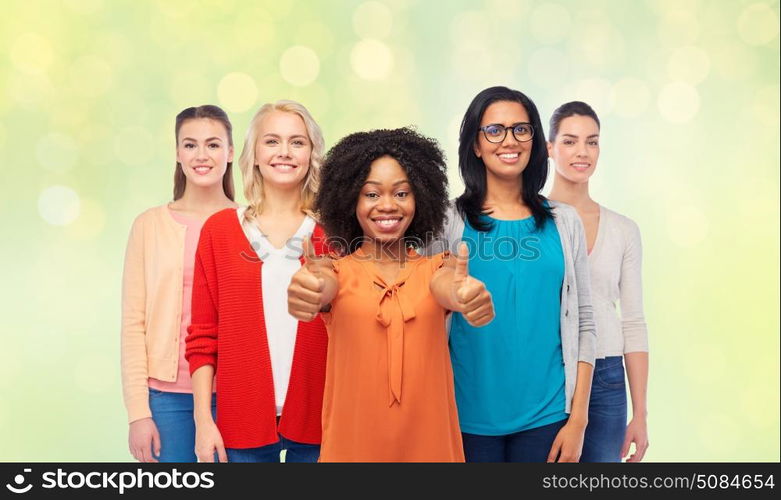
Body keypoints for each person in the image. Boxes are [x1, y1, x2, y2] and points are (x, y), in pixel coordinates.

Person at [288, 127, 495, 462]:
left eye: (401, 193)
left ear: (421, 198)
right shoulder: (335, 271)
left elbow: (448, 288)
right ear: (349, 200)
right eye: (371, 194)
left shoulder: (437, 266)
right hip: (354, 447)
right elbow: (321, 284)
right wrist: (308, 288)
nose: (387, 206)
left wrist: (465, 294)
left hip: (429, 447)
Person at [431, 86, 596, 462]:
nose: (510, 140)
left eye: (522, 129)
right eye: (495, 130)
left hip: (549, 418)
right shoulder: (446, 222)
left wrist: (578, 422)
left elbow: (585, 322)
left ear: (535, 141)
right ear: (475, 144)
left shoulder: (564, 222)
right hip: (464, 418)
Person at [185, 100, 329, 463]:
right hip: (240, 425)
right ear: (254, 154)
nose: (284, 152)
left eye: (297, 142)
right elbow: (203, 335)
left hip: (321, 424)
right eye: (272, 141)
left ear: (312, 153)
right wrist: (204, 421)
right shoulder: (218, 232)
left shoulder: (334, 231)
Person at [121, 104, 237, 462]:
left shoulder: (250, 224)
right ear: (177, 153)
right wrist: (139, 413)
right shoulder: (149, 226)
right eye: (190, 145)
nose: (201, 155)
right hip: (166, 398)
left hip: (235, 394)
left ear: (230, 152)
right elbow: (133, 323)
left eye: (213, 144)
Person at [547, 101, 649, 462]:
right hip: (547, 371)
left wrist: (640, 413)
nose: (582, 152)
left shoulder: (623, 230)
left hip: (606, 375)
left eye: (592, 142)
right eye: (570, 141)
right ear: (549, 148)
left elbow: (633, 322)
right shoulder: (533, 222)